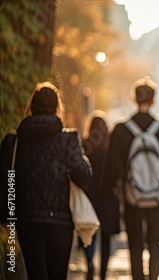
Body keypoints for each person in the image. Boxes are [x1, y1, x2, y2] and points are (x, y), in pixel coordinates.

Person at [0, 82, 92, 280]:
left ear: (31, 106)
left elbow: (7, 182)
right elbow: (84, 176)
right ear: (56, 107)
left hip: (27, 221)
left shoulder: (13, 142)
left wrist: (8, 216)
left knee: (36, 275)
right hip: (60, 222)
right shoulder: (68, 139)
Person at [102, 77, 159, 280]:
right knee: (154, 242)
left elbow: (111, 168)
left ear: (134, 99)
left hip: (131, 193)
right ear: (153, 101)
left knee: (135, 243)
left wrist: (104, 195)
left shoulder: (121, 129)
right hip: (157, 194)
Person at [81, 110, 120, 280]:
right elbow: (117, 171)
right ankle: (103, 273)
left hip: (90, 197)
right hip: (108, 197)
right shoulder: (110, 148)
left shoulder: (84, 145)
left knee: (88, 235)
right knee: (106, 239)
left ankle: (89, 263)